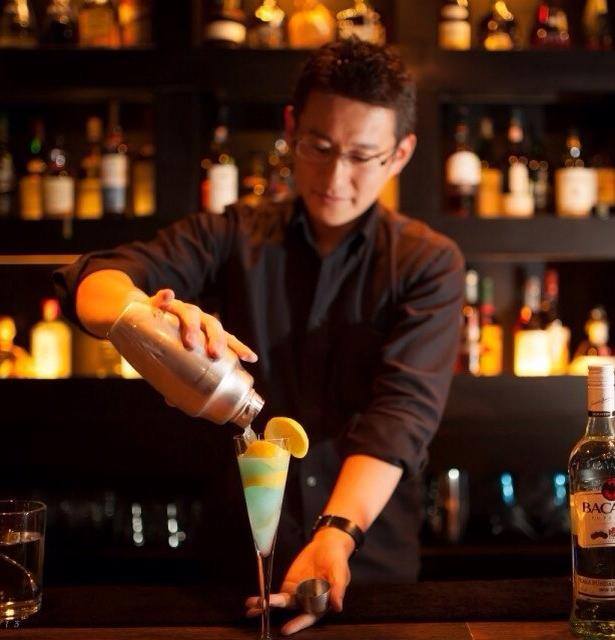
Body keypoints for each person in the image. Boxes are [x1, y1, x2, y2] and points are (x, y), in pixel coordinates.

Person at [54, 38, 464, 635]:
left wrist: (336, 534)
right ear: (291, 128)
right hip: (231, 572)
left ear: (399, 154)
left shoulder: (428, 263)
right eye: (319, 147)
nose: (336, 177)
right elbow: (93, 280)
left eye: (362, 156)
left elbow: (401, 418)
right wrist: (141, 312)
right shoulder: (230, 235)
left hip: (362, 571)